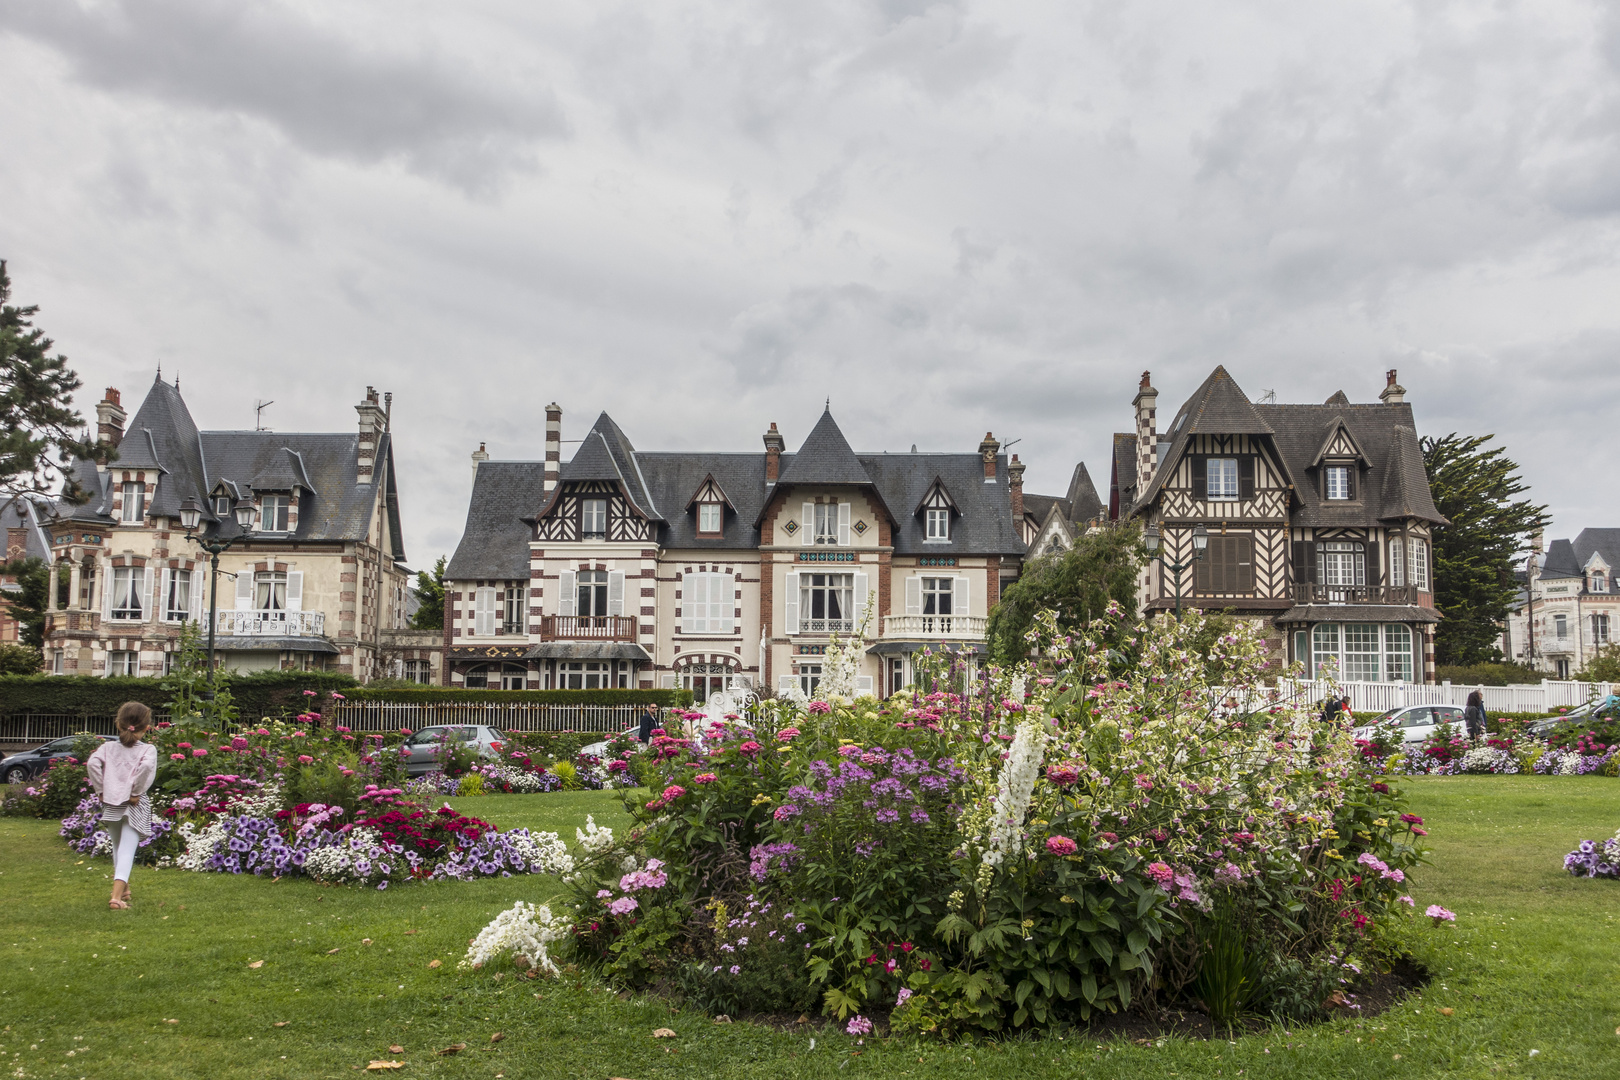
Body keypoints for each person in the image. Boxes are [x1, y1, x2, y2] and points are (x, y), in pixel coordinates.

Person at [86, 702, 157, 910]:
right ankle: (116, 898)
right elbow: (146, 768)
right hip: (135, 805)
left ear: (118, 724)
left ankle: (124, 890)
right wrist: (135, 792)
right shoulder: (148, 749)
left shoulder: (107, 748)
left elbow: (92, 764)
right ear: (147, 727)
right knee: (127, 849)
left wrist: (101, 790)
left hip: (111, 802)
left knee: (118, 847)